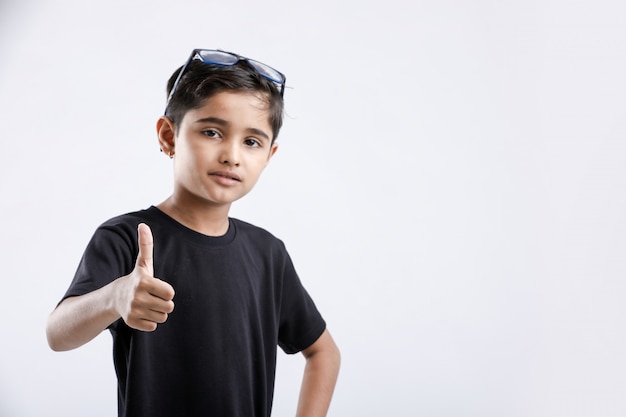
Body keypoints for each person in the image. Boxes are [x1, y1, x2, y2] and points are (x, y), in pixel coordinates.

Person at [46, 48, 340, 417]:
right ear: (169, 136)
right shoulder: (127, 238)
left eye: (251, 141)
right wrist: (115, 297)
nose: (232, 155)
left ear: (269, 155)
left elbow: (323, 351)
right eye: (212, 132)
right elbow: (57, 334)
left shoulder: (268, 254)